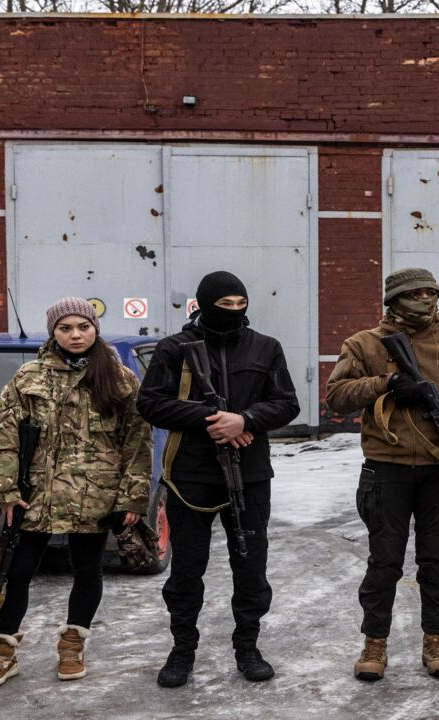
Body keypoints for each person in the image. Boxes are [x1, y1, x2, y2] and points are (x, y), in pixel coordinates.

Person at [325, 267, 439, 682]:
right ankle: (374, 644)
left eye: (429, 292)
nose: (424, 300)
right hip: (388, 469)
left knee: (437, 562)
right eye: (414, 293)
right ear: (394, 300)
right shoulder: (364, 344)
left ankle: (436, 641)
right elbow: (337, 396)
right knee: (384, 563)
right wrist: (387, 383)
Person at [0, 297, 152, 687]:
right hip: (35, 493)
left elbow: (137, 442)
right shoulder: (29, 377)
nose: (75, 335)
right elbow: (3, 436)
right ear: (53, 332)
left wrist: (131, 498)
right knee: (17, 572)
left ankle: (72, 644)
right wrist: (5, 489)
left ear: (94, 329)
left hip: (96, 494)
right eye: (65, 328)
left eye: (83, 327)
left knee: (87, 571)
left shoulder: (120, 379)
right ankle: (2, 653)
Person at [137, 271, 299, 687]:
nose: (233, 312)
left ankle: (248, 647)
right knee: (187, 570)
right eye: (224, 305)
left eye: (239, 304)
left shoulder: (266, 347)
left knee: (250, 566)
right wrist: (213, 421)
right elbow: (151, 403)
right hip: (189, 477)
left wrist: (245, 419)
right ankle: (182, 651)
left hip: (250, 475)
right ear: (204, 304)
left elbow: (286, 403)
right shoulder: (175, 349)